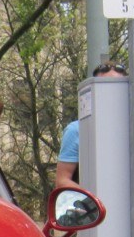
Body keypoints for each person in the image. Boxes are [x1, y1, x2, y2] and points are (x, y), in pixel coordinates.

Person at [54, 62, 128, 190]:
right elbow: (62, 181)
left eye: (117, 87)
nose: (111, 93)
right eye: (105, 86)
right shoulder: (77, 130)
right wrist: (95, 200)